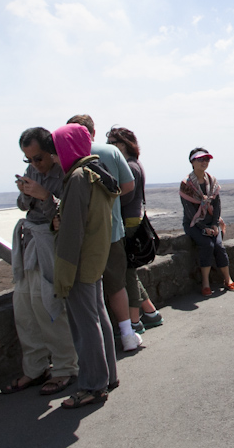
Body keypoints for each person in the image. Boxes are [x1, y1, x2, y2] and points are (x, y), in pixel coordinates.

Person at [2, 127, 78, 397]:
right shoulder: (34, 172)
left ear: (52, 153)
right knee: (24, 306)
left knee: (49, 306)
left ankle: (65, 368)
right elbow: (24, 206)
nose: (35, 165)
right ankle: (35, 368)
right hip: (30, 243)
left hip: (51, 244)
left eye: (39, 158)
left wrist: (44, 195)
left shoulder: (67, 173)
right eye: (29, 160)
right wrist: (25, 191)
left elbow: (65, 213)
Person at [51, 123, 121, 409]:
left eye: (57, 149)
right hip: (95, 258)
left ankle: (92, 386)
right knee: (98, 317)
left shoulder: (79, 177)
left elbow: (72, 232)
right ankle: (109, 376)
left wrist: (64, 273)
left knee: (85, 325)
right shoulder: (96, 171)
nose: (55, 156)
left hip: (80, 262)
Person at [66, 115, 140, 352]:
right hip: (111, 230)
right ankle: (127, 335)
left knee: (87, 289)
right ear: (93, 132)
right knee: (116, 284)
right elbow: (128, 185)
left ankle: (92, 344)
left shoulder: (67, 155)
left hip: (80, 234)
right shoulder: (110, 152)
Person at [105, 126, 164, 331]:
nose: (109, 147)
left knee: (127, 274)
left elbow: (126, 197)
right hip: (134, 221)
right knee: (130, 271)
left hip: (128, 223)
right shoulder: (135, 164)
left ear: (124, 145)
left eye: (113, 143)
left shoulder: (129, 167)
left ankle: (134, 322)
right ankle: (151, 313)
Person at [179, 147, 234, 296]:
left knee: (218, 245)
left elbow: (217, 204)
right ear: (192, 162)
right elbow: (189, 211)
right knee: (207, 244)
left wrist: (213, 224)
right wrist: (203, 227)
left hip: (211, 222)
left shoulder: (212, 181)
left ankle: (228, 279)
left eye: (206, 159)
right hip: (194, 224)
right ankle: (205, 283)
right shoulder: (186, 185)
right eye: (200, 159)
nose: (204, 162)